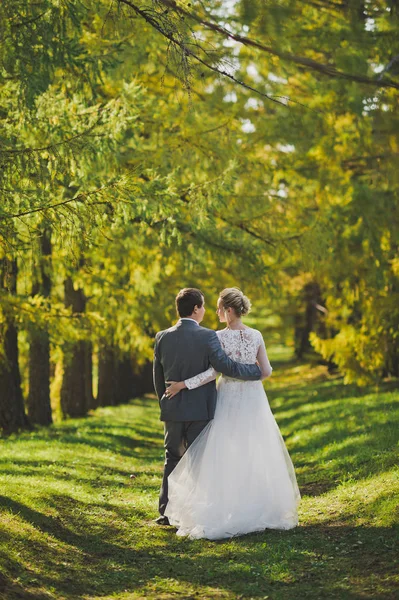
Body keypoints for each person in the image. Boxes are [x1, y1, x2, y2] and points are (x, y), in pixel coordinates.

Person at [163, 287, 300, 539]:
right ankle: (259, 504)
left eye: (218, 308)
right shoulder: (256, 334)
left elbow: (212, 373)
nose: (215, 312)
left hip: (227, 396)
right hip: (253, 398)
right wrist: (252, 373)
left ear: (228, 310)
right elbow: (266, 370)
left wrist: (184, 384)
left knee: (225, 449)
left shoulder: (217, 337)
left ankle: (228, 506)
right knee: (256, 447)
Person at [153, 288, 262, 525]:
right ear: (195, 309)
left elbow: (158, 377)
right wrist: (256, 370)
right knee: (198, 461)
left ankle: (166, 512)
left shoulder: (162, 336)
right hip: (200, 409)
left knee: (171, 457)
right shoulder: (208, 336)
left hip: (172, 408)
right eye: (202, 306)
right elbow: (226, 367)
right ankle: (194, 511)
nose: (205, 311)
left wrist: (165, 400)